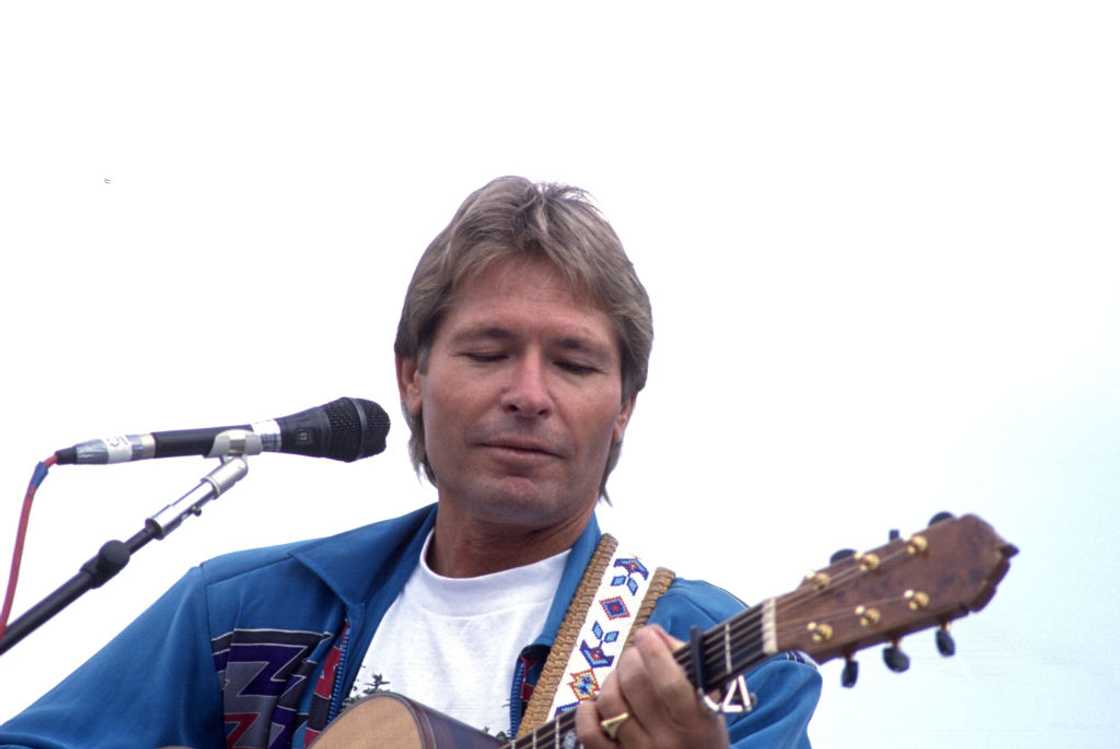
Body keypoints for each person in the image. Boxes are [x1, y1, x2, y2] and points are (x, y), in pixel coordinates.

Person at [0, 176, 820, 748]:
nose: (529, 393)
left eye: (573, 363)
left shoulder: (716, 658)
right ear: (413, 376)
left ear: (624, 408)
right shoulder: (241, 615)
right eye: (490, 350)